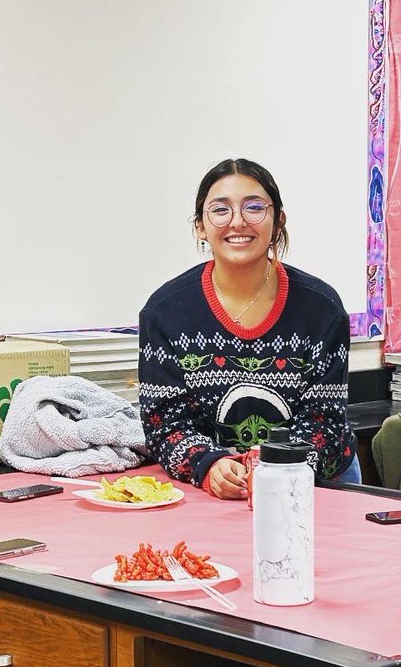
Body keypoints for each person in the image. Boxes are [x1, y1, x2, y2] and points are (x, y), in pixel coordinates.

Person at [139, 158, 357, 499]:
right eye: (220, 210)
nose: (238, 222)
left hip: (317, 487)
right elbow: (165, 425)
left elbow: (324, 424)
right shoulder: (165, 312)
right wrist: (209, 465)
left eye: (254, 208)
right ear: (200, 226)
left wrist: (270, 468)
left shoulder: (321, 309)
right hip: (211, 490)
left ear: (278, 220)